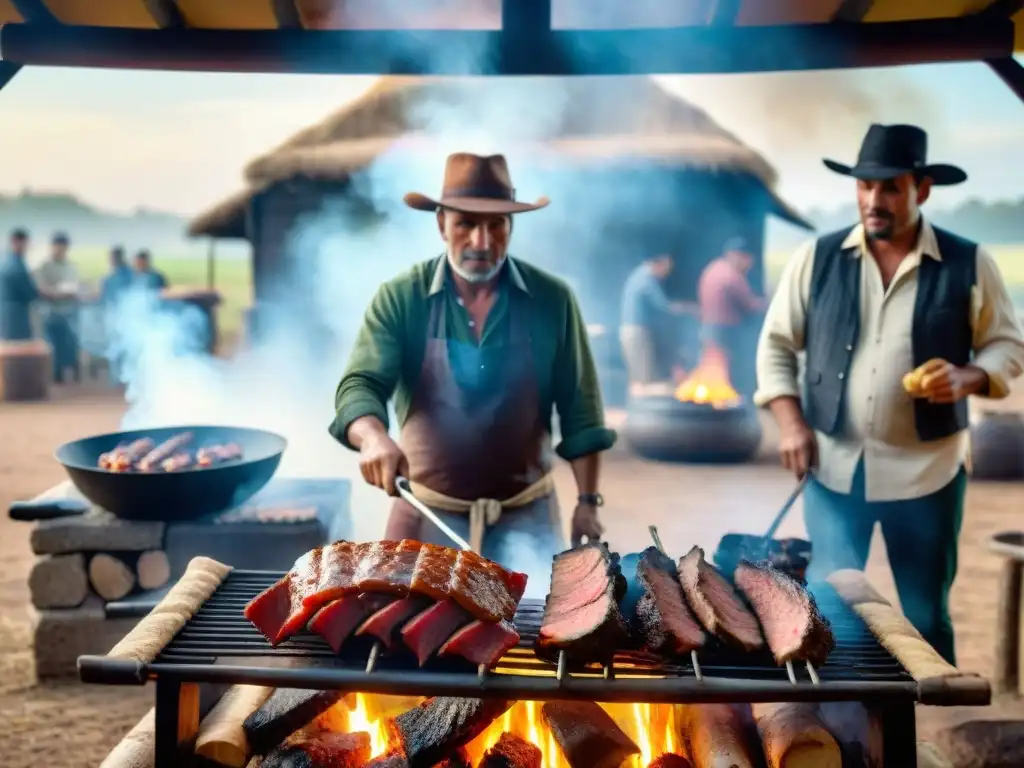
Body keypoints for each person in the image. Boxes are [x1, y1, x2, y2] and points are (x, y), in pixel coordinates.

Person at [755, 123, 1024, 665]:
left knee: (924, 616)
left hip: (928, 473)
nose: (874, 200)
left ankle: (926, 736)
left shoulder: (969, 262)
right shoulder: (818, 258)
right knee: (826, 606)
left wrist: (968, 376)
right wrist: (790, 423)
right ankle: (839, 725)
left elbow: (1007, 347)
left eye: (890, 187)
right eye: (865, 186)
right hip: (831, 471)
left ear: (921, 190)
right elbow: (776, 345)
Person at [330, 152, 615, 572]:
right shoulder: (401, 297)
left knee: (534, 629)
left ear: (511, 226)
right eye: (466, 223)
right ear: (441, 223)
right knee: (405, 631)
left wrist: (588, 502)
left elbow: (582, 412)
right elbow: (360, 385)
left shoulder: (553, 300)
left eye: (496, 224)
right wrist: (373, 436)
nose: (482, 242)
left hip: (527, 519)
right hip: (425, 517)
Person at [619, 254, 695, 389]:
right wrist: (688, 308)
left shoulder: (639, 274)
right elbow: (663, 307)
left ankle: (637, 406)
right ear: (661, 263)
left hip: (632, 330)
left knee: (638, 376)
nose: (667, 273)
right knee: (643, 377)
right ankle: (642, 408)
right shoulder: (646, 280)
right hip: (637, 332)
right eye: (667, 268)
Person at [698, 237, 766, 357]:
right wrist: (769, 304)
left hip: (707, 329)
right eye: (748, 260)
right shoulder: (732, 276)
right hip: (726, 333)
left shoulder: (714, 267)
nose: (749, 264)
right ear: (737, 256)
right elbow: (750, 306)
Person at [33, 232, 81, 383]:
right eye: (58, 247)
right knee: (52, 344)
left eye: (64, 247)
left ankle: (70, 370)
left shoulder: (71, 266)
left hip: (68, 310)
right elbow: (41, 289)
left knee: (69, 343)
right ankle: (55, 374)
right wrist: (56, 293)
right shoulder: (44, 267)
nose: (61, 250)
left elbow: (74, 286)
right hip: (51, 312)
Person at [0, 228, 39, 341]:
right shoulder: (16, 265)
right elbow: (30, 292)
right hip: (16, 314)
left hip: (7, 312)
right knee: (18, 347)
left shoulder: (9, 260)